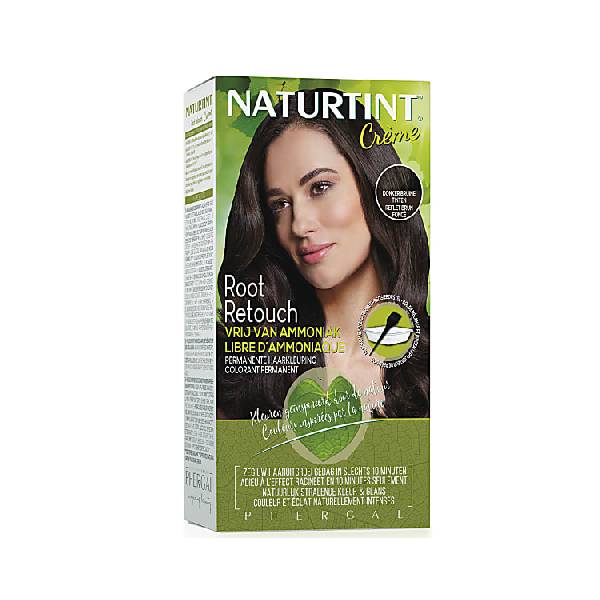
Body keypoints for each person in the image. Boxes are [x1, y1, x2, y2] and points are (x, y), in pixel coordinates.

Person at [217, 88, 429, 419]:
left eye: (320, 187)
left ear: (371, 182)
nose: (299, 225)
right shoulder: (240, 372)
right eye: (280, 204)